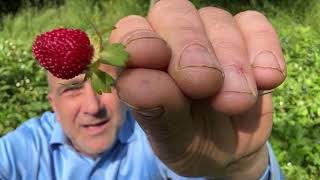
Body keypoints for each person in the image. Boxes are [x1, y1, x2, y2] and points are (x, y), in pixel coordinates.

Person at [0, 0, 286, 179]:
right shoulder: (25, 150)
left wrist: (237, 169)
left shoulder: (157, 134)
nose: (93, 105)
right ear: (51, 103)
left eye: (106, 84)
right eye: (72, 90)